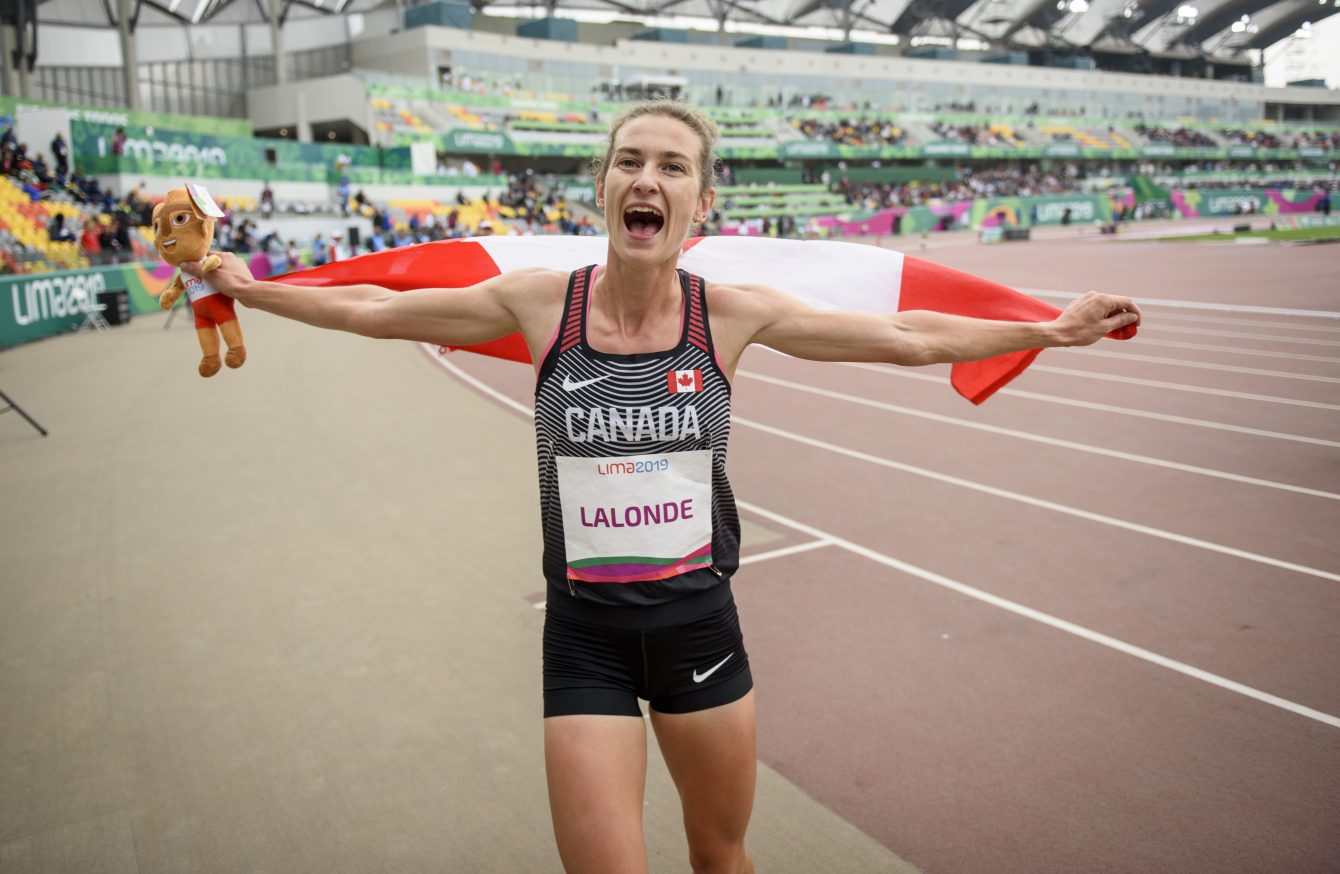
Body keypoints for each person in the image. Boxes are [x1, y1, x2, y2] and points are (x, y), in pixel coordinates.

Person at [182, 99, 1140, 874]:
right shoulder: (535, 302)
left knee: (720, 859)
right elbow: (377, 310)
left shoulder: (727, 314)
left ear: (700, 203)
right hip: (585, 639)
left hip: (698, 631)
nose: (647, 178)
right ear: (602, 187)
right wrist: (257, 289)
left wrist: (1048, 332)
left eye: (672, 166)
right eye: (630, 160)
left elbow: (905, 339)